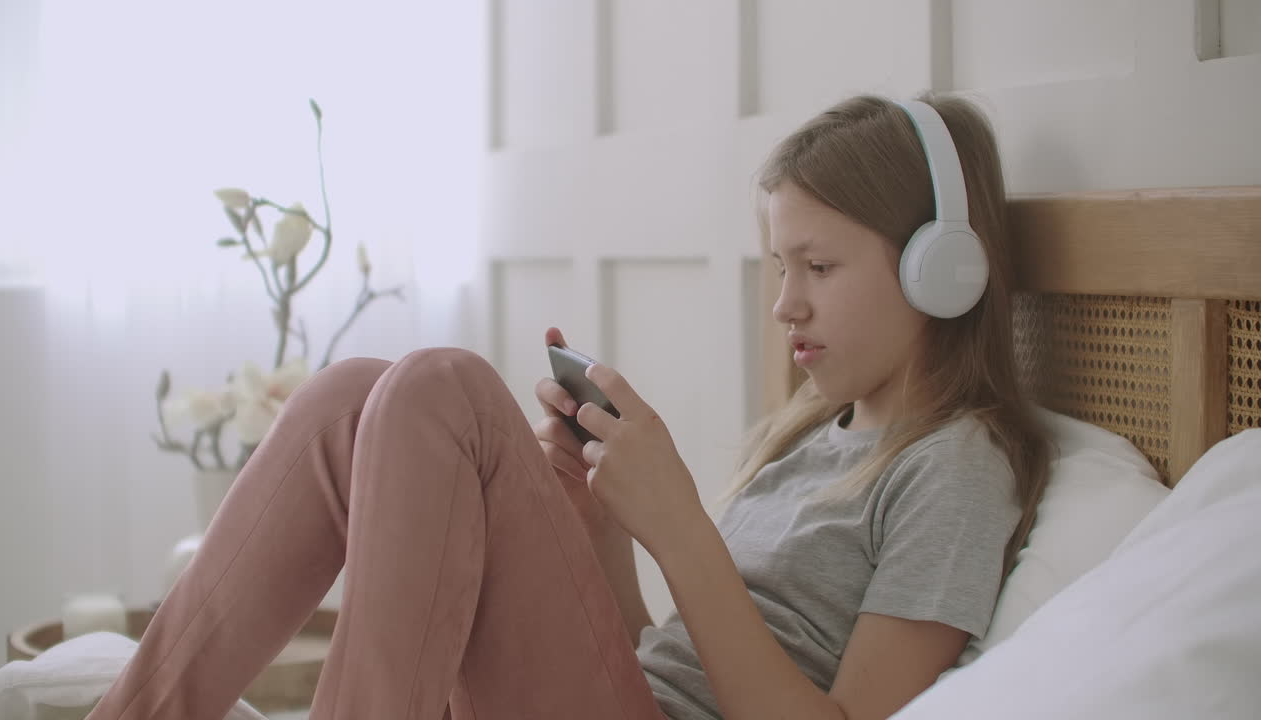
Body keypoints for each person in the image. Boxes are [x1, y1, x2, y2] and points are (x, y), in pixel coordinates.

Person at [84, 92, 1049, 720]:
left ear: (940, 272)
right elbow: (656, 656)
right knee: (353, 397)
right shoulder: (809, 435)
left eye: (821, 267)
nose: (785, 302)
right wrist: (603, 534)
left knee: (443, 389)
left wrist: (679, 528)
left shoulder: (955, 468)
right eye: (779, 266)